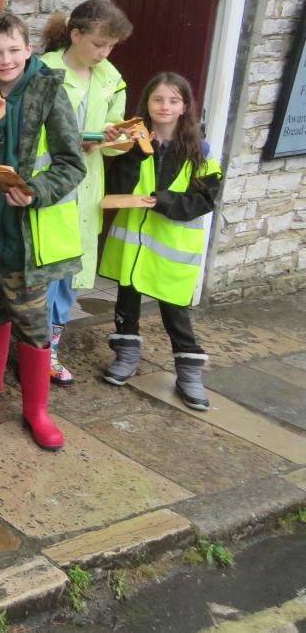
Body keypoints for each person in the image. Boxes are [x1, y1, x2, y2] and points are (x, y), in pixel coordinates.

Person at [0, 12, 85, 451]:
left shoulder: (48, 90)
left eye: (14, 50)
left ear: (28, 50)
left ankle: (37, 410)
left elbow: (71, 163)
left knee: (32, 322)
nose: (6, 60)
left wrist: (37, 191)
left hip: (29, 235)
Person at [99, 72, 222, 409]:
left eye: (172, 100)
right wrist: (135, 154)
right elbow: (118, 186)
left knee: (175, 313)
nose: (164, 106)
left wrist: (164, 202)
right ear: (147, 104)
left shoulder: (202, 152)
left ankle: (189, 372)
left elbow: (204, 200)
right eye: (157, 99)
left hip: (173, 249)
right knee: (127, 301)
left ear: (184, 107)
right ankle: (126, 355)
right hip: (134, 244)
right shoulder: (134, 145)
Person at [39, 0, 132, 385]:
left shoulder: (110, 76)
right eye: (98, 45)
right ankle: (34, 349)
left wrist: (112, 138)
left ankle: (50, 351)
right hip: (50, 182)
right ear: (75, 35)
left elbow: (120, 134)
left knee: (67, 278)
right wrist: (67, 142)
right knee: (44, 273)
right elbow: (28, 128)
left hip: (87, 185)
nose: (104, 54)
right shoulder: (45, 70)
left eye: (110, 47)